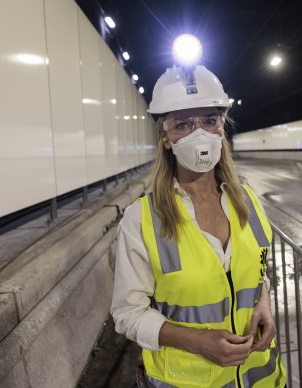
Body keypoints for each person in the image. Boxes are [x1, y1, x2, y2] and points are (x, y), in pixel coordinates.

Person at [110, 61, 287, 387]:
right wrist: (197, 341)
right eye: (183, 124)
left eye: (209, 121)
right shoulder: (143, 220)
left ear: (223, 126)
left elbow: (253, 270)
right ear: (164, 137)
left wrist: (264, 302)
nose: (200, 135)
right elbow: (127, 313)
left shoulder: (247, 200)